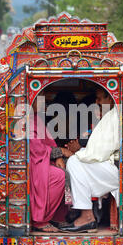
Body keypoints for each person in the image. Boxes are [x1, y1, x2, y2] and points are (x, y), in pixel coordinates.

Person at [59, 88, 121, 233]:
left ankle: (87, 216)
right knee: (75, 160)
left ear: (111, 99)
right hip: (111, 167)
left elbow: (100, 152)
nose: (96, 102)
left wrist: (75, 152)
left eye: (99, 98)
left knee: (74, 162)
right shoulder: (109, 117)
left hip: (119, 171)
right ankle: (84, 214)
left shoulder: (114, 117)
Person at [29, 96, 72, 233]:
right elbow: (37, 149)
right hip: (33, 163)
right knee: (58, 176)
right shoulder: (26, 120)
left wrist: (59, 155)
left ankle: (59, 216)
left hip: (43, 159)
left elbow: (49, 143)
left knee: (69, 165)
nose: (44, 102)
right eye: (39, 99)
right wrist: (60, 152)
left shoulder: (36, 119)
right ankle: (40, 219)